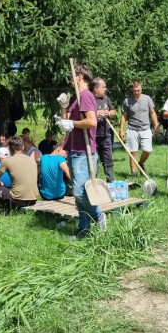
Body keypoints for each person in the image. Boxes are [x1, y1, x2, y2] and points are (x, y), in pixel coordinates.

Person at [55, 63, 107, 238]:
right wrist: (64, 107)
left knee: (80, 191)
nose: (70, 79)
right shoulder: (78, 98)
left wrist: (73, 123)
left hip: (84, 152)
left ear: (80, 76)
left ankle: (98, 214)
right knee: (78, 193)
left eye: (72, 76)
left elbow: (91, 121)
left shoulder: (86, 96)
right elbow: (67, 123)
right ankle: (84, 228)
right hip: (74, 149)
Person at [119, 80, 161, 177]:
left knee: (147, 150)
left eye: (138, 90)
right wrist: (121, 129)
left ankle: (141, 163)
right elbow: (124, 116)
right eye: (134, 91)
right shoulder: (127, 101)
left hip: (145, 129)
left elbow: (152, 113)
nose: (137, 92)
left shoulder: (147, 99)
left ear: (141, 89)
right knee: (133, 151)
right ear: (132, 90)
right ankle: (133, 173)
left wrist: (156, 125)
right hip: (132, 129)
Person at [92, 77, 117, 182]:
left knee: (108, 160)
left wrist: (109, 113)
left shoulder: (105, 98)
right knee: (94, 161)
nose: (105, 89)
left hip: (105, 134)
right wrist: (96, 114)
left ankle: (110, 183)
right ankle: (94, 184)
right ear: (95, 88)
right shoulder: (90, 98)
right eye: (103, 87)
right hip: (92, 136)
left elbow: (113, 111)